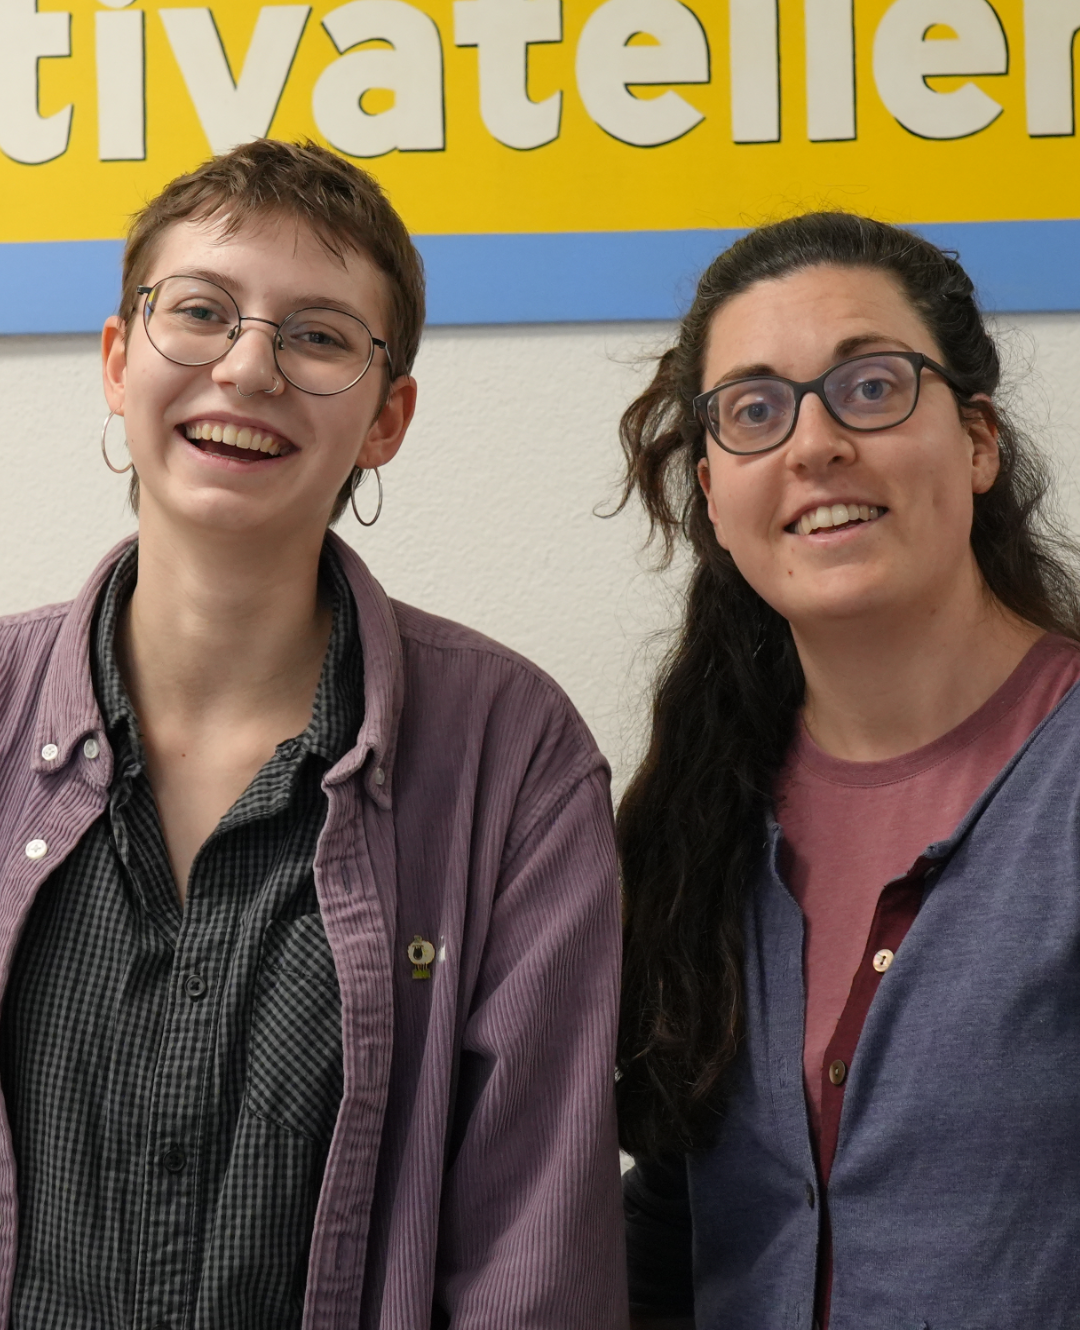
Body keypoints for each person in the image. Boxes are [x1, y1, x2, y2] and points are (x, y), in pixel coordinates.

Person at [0, 138, 625, 1330]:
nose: (248, 368)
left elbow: (532, 1264)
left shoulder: (514, 755)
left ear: (387, 419)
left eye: (319, 336)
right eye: (200, 312)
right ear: (119, 361)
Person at [616, 212, 1080, 1330]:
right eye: (754, 410)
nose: (813, 444)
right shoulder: (696, 819)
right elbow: (679, 1217)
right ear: (714, 493)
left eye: (871, 387)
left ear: (978, 441)